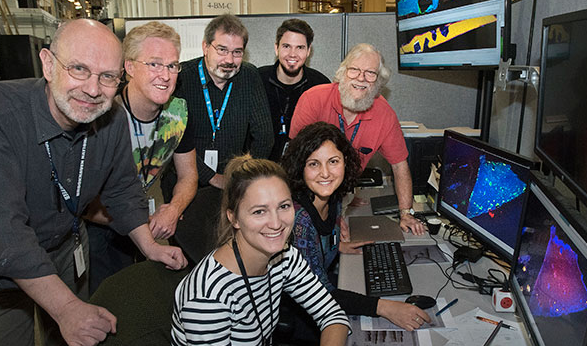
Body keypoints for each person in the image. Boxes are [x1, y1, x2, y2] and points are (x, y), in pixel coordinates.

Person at [0, 19, 187, 346]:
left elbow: (124, 192)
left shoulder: (108, 121)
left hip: (62, 249)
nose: (93, 89)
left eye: (106, 77)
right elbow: (2, 235)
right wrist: (68, 308)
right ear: (48, 63)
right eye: (79, 69)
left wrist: (150, 247)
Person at [164, 155, 372, 346]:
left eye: (283, 207)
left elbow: (332, 314)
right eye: (259, 211)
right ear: (233, 218)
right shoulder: (206, 296)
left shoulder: (283, 256)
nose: (276, 223)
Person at [282, 122, 430, 336]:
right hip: (299, 310)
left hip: (318, 287)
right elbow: (318, 293)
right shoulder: (300, 221)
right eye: (314, 164)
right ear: (300, 167)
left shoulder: (333, 196)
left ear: (345, 163)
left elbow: (318, 242)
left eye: (333, 161)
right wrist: (386, 308)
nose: (325, 173)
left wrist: (335, 245)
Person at [85, 21, 198, 294]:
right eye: (154, 64)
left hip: (152, 220)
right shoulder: (99, 117)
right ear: (129, 67)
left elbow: (188, 175)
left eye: (172, 65)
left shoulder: (179, 114)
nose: (165, 75)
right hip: (103, 226)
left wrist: (174, 208)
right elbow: (83, 200)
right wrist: (137, 224)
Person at [166, 14, 274, 263]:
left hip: (233, 187)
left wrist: (243, 176)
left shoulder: (249, 77)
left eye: (237, 52)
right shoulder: (182, 78)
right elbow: (173, 141)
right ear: (205, 46)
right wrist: (212, 177)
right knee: (189, 259)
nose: (229, 60)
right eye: (222, 49)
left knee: (231, 257)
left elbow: (264, 136)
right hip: (186, 184)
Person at [289, 43, 426, 235]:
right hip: (307, 192)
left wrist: (406, 213)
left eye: (370, 73)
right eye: (354, 70)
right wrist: (331, 215)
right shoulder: (312, 99)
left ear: (378, 83)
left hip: (343, 189)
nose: (361, 78)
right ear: (342, 73)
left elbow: (400, 165)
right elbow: (295, 162)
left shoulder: (385, 115)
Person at [258, 19, 330, 161]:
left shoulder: (321, 85)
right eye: (286, 46)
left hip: (303, 169)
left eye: (300, 48)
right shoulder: (257, 80)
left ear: (309, 51)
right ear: (276, 48)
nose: (292, 54)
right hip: (262, 169)